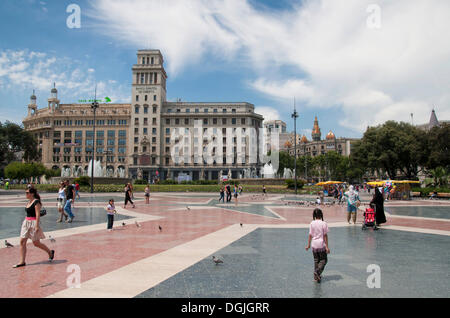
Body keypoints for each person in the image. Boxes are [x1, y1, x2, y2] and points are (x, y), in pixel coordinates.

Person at [13, 188, 54, 268]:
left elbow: (38, 214)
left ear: (32, 194)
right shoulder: (28, 202)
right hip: (26, 223)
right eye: (25, 192)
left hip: (33, 223)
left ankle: (50, 252)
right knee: (22, 241)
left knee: (36, 243)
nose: (26, 194)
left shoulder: (36, 202)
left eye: (27, 193)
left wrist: (37, 225)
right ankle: (22, 261)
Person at [305, 208, 330, 283]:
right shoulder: (324, 223)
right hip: (321, 244)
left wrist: (308, 245)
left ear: (314, 215)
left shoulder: (312, 223)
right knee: (324, 260)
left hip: (314, 244)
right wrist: (327, 247)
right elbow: (325, 236)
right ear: (321, 215)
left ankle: (316, 277)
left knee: (316, 260)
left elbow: (310, 235)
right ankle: (318, 272)